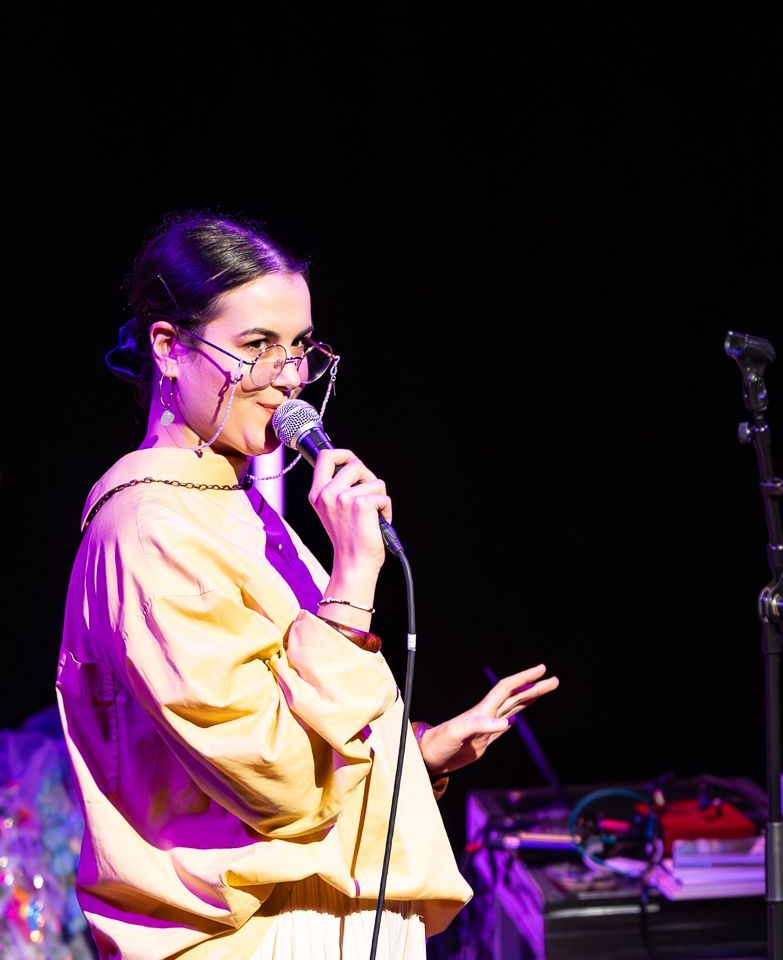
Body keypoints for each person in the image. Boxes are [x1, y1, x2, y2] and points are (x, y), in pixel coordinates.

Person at [56, 212, 559, 960]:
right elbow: (277, 782)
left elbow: (264, 744)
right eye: (257, 345)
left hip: (317, 919)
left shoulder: (228, 500)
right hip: (259, 934)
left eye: (299, 348)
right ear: (168, 348)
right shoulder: (151, 525)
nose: (289, 377)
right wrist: (353, 580)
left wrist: (412, 753)